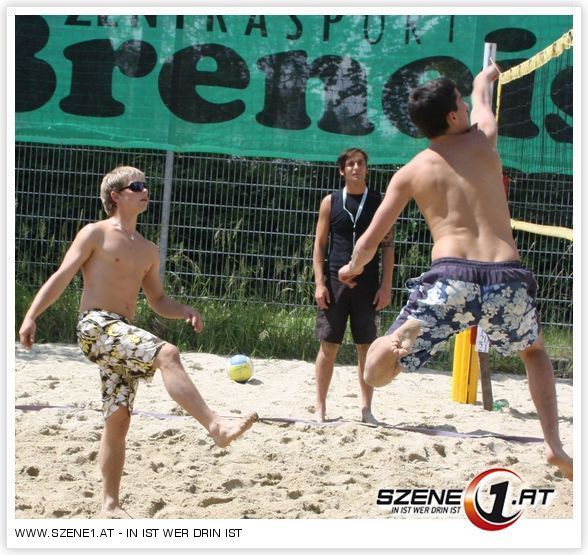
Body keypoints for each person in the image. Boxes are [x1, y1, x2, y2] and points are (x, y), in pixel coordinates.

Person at [338, 65, 573, 480]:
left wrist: (351, 267)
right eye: (459, 103)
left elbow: (370, 240)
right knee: (534, 351)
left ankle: (391, 345)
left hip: (451, 279)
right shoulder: (483, 142)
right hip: (505, 277)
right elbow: (483, 98)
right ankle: (554, 447)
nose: (466, 106)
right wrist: (486, 78)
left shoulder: (411, 171)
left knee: (376, 375)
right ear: (452, 116)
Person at [18, 166, 258, 518]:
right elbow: (63, 275)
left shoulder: (147, 248)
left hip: (122, 330)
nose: (145, 190)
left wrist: (185, 310)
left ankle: (110, 504)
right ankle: (216, 426)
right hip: (95, 325)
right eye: (137, 186)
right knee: (168, 353)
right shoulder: (95, 234)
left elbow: (158, 300)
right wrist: (31, 315)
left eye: (146, 185)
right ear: (116, 196)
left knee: (118, 419)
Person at [313, 148, 394, 424]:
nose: (356, 168)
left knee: (366, 348)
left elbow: (387, 247)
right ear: (342, 170)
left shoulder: (379, 202)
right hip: (335, 283)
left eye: (360, 163)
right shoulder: (330, 202)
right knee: (328, 346)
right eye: (350, 164)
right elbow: (320, 244)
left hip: (368, 284)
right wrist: (319, 282)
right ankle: (320, 407)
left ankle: (366, 409)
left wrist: (386, 286)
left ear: (367, 169)